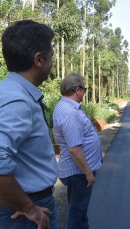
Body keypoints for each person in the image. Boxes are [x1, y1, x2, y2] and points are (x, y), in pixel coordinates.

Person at [0, 20, 58, 228]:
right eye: (51, 56)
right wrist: (29, 208)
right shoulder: (17, 100)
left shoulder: (8, 91)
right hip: (22, 210)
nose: (52, 62)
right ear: (39, 59)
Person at [53, 73, 103, 229]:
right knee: (77, 211)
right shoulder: (70, 113)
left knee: (80, 211)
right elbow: (74, 149)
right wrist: (88, 173)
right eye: (84, 89)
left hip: (77, 170)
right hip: (78, 172)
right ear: (77, 90)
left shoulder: (67, 107)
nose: (84, 93)